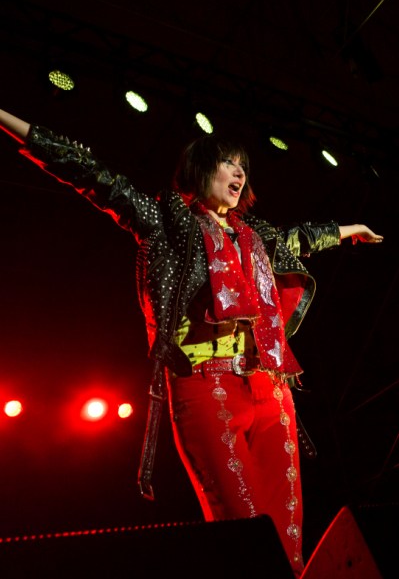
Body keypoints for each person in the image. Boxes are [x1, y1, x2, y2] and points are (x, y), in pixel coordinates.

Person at [0, 108, 383, 577]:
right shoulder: (167, 222)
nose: (240, 171)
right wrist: (9, 121)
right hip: (206, 388)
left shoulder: (256, 235)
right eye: (228, 163)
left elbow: (298, 238)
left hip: (271, 390)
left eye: (243, 165)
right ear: (201, 170)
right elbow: (90, 172)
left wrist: (350, 231)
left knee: (289, 541)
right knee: (247, 534)